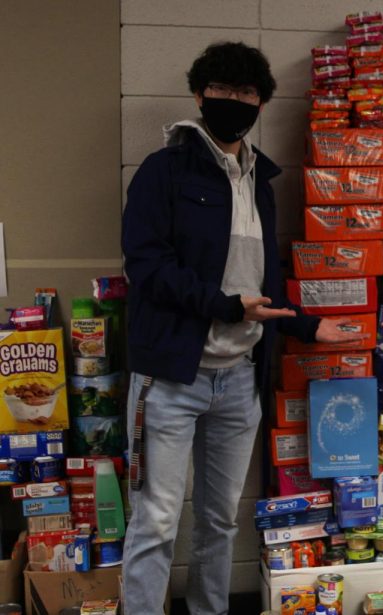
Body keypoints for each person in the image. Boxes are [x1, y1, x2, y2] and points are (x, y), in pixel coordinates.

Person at [121, 42, 364, 615]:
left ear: (260, 102)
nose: (236, 102)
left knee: (220, 519)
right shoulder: (165, 171)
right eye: (224, 92)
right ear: (201, 94)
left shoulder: (259, 179)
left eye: (248, 94)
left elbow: (262, 282)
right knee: (155, 519)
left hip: (238, 380)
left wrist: (306, 324)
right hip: (171, 378)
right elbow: (146, 265)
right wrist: (226, 307)